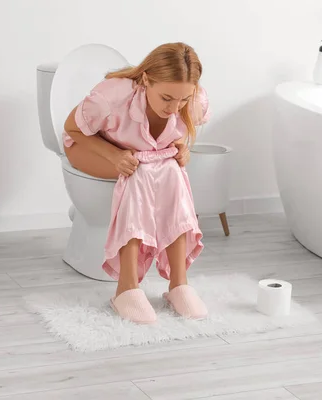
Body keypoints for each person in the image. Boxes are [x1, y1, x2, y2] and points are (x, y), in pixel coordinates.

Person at [63, 42, 211, 324]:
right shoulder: (112, 96)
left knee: (171, 171)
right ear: (146, 80)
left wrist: (181, 147)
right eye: (167, 98)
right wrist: (114, 154)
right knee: (140, 171)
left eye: (182, 100)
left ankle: (179, 283)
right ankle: (126, 287)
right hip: (89, 146)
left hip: (140, 155)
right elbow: (72, 128)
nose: (174, 108)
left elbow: (171, 136)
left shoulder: (194, 101)